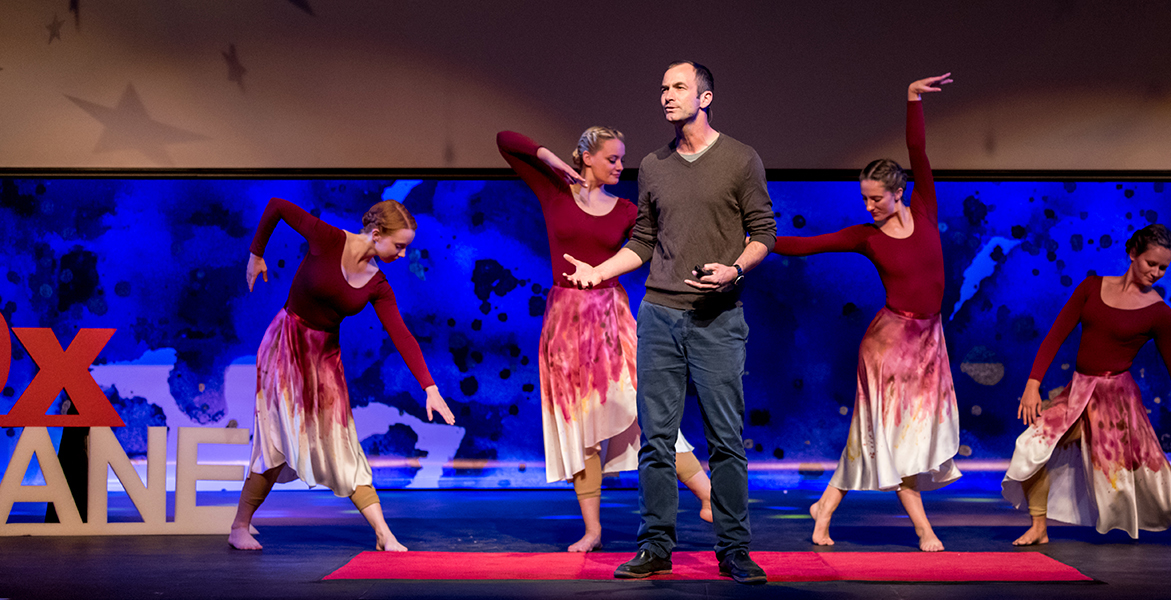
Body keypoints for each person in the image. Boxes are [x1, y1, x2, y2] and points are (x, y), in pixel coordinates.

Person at [565, 60, 776, 584]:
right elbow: (643, 240)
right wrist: (600, 270)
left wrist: (733, 270)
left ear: (705, 98)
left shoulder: (740, 159)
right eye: (663, 87)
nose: (667, 95)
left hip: (717, 318)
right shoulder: (654, 164)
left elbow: (764, 234)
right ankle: (655, 546)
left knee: (725, 439)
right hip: (659, 316)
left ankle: (734, 549)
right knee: (656, 441)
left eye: (678, 87)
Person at [495, 127, 715, 553]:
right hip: (564, 323)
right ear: (585, 157)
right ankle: (592, 531)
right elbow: (506, 140)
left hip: (611, 321)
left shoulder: (627, 210)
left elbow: (665, 240)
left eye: (621, 158)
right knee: (581, 430)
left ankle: (708, 495)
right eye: (612, 158)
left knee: (646, 412)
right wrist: (552, 161)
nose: (620, 165)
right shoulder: (554, 192)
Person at [775, 74, 960, 552]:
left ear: (898, 192)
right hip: (890, 345)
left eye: (876, 197)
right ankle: (924, 530)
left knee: (876, 437)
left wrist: (912, 98)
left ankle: (825, 509)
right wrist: (755, 241)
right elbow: (805, 245)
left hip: (928, 342)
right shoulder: (867, 236)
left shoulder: (923, 207)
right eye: (864, 198)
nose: (870, 205)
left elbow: (918, 151)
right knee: (893, 440)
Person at [1002, 223, 1171, 545]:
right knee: (1034, 446)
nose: (1156, 272)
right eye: (1150, 263)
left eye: (1163, 268)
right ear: (1132, 254)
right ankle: (1039, 526)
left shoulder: (1158, 313)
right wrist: (1033, 383)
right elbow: (1056, 335)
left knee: (1160, 490)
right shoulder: (1091, 287)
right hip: (1078, 394)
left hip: (1116, 406)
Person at [228, 197, 455, 552]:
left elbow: (401, 334)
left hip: (324, 361)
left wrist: (430, 387)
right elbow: (275, 206)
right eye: (399, 246)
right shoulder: (328, 238)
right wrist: (256, 254)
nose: (401, 255)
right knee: (275, 439)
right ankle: (239, 525)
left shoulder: (378, 284)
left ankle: (383, 533)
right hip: (285, 347)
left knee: (342, 443)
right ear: (377, 234)